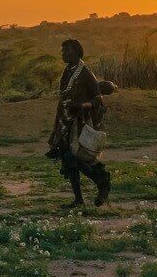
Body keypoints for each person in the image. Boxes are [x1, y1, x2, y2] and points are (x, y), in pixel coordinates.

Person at [47, 39, 111, 207]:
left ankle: (102, 181)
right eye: (63, 51)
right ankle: (79, 199)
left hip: (79, 121)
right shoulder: (68, 71)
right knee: (69, 159)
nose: (63, 54)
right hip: (65, 121)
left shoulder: (85, 73)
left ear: (76, 52)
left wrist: (81, 106)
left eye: (67, 51)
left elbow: (98, 101)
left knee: (76, 157)